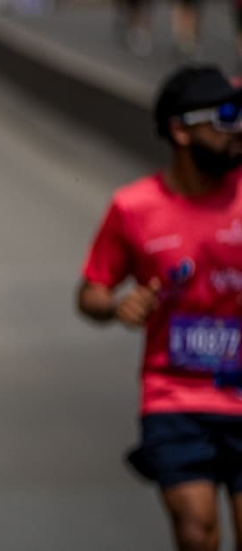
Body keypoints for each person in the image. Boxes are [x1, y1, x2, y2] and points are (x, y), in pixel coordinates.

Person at [78, 65, 242, 551]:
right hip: (175, 397)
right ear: (181, 129)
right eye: (228, 116)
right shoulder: (134, 206)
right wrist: (116, 307)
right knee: (197, 532)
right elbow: (90, 292)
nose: (239, 130)